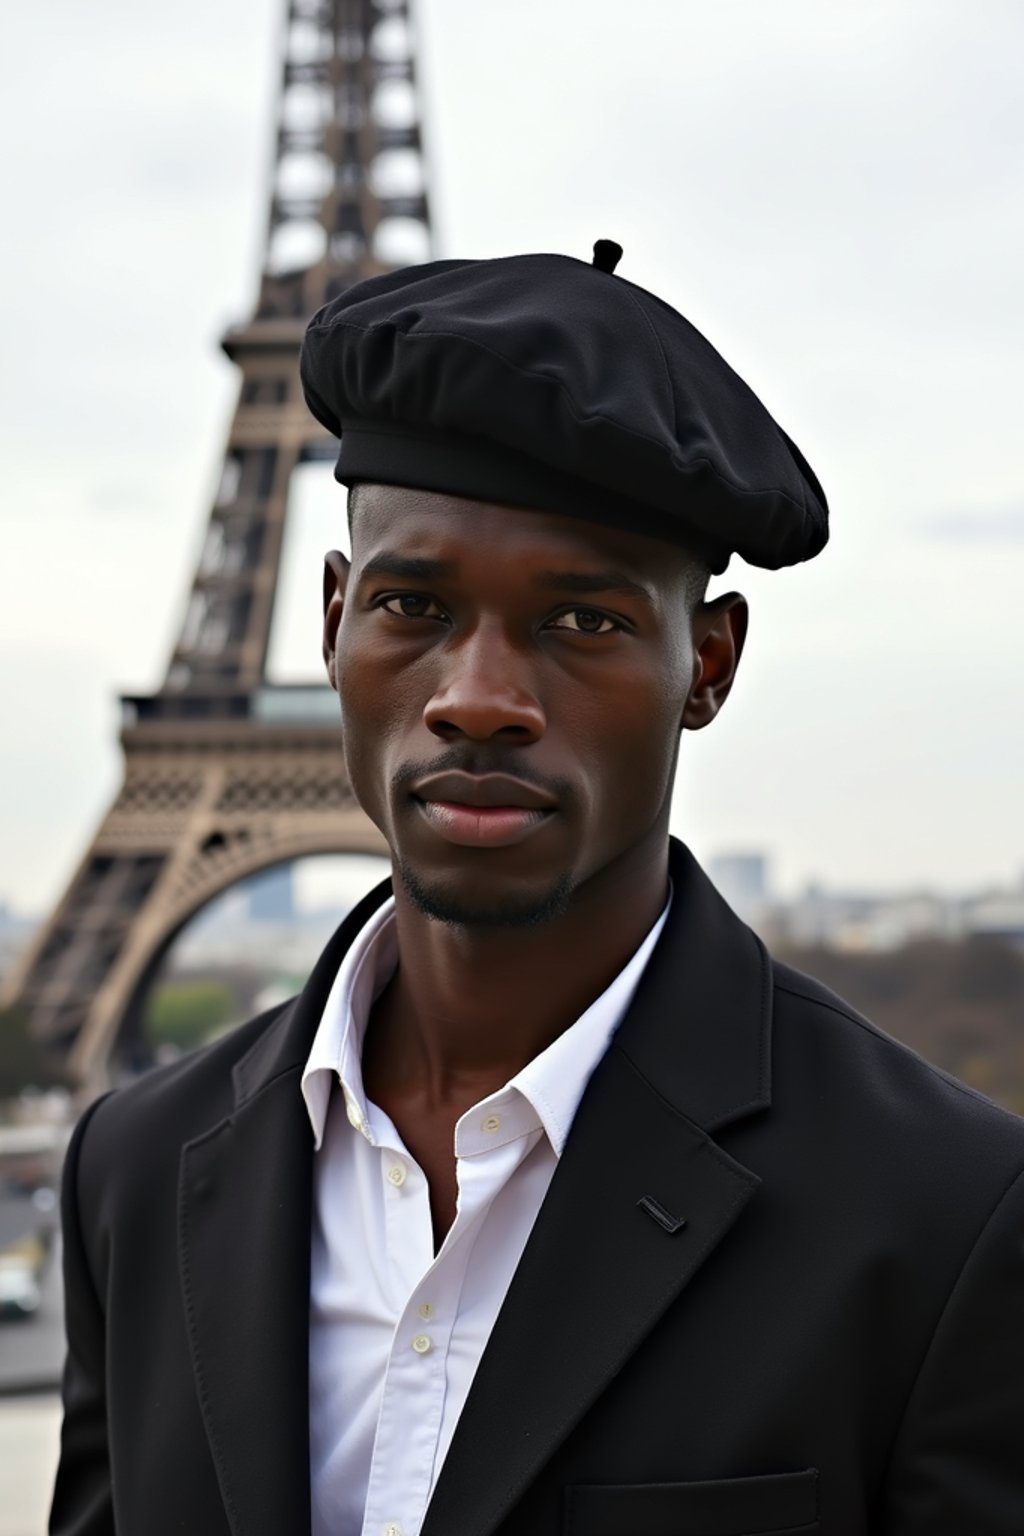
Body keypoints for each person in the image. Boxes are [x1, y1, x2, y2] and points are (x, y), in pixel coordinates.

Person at [51, 243, 1024, 1536]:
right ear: (334, 620)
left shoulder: (947, 1222)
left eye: (584, 623)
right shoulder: (132, 1173)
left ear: (710, 665)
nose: (480, 699)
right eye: (413, 603)